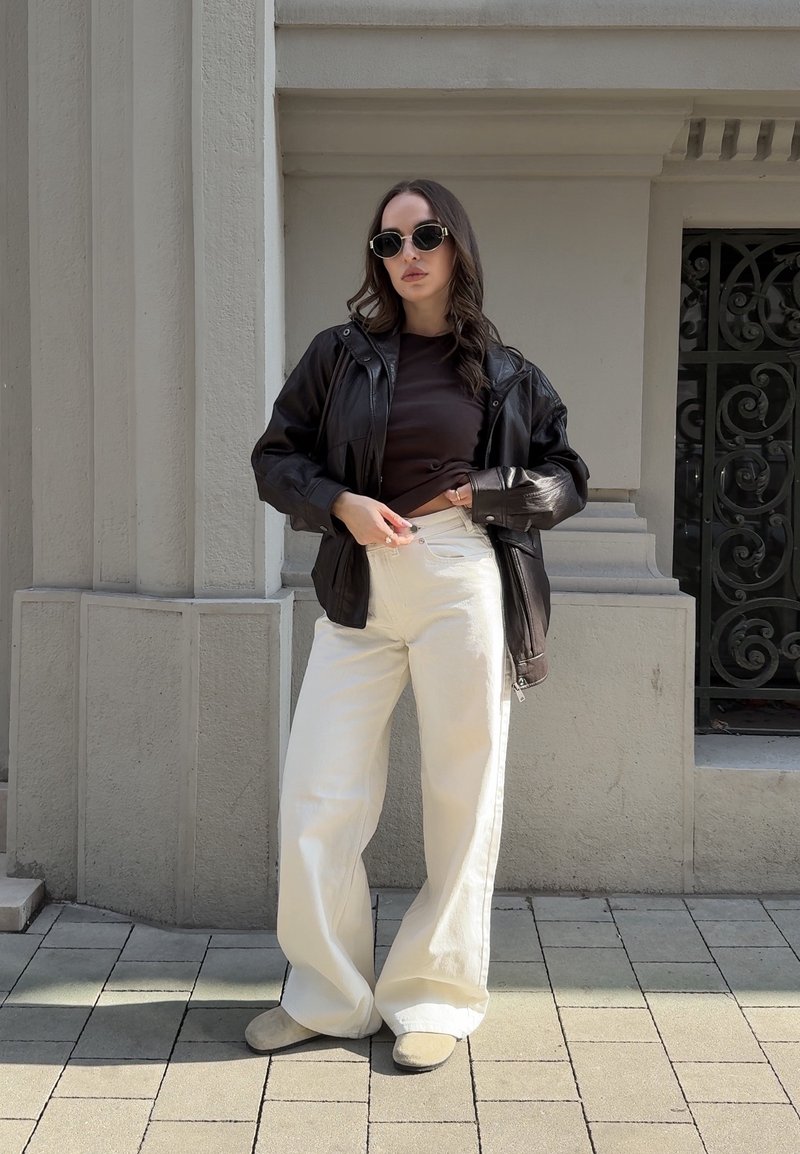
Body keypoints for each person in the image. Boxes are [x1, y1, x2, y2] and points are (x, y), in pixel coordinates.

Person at [248, 178, 589, 1073]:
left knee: (460, 792)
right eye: (388, 242)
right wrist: (339, 502)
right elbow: (275, 457)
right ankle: (326, 995)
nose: (406, 255)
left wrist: (489, 492)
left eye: (424, 236)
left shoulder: (508, 371)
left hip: (459, 572)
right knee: (319, 792)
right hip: (363, 576)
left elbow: (565, 475)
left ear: (455, 247)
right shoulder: (340, 354)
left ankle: (433, 995)